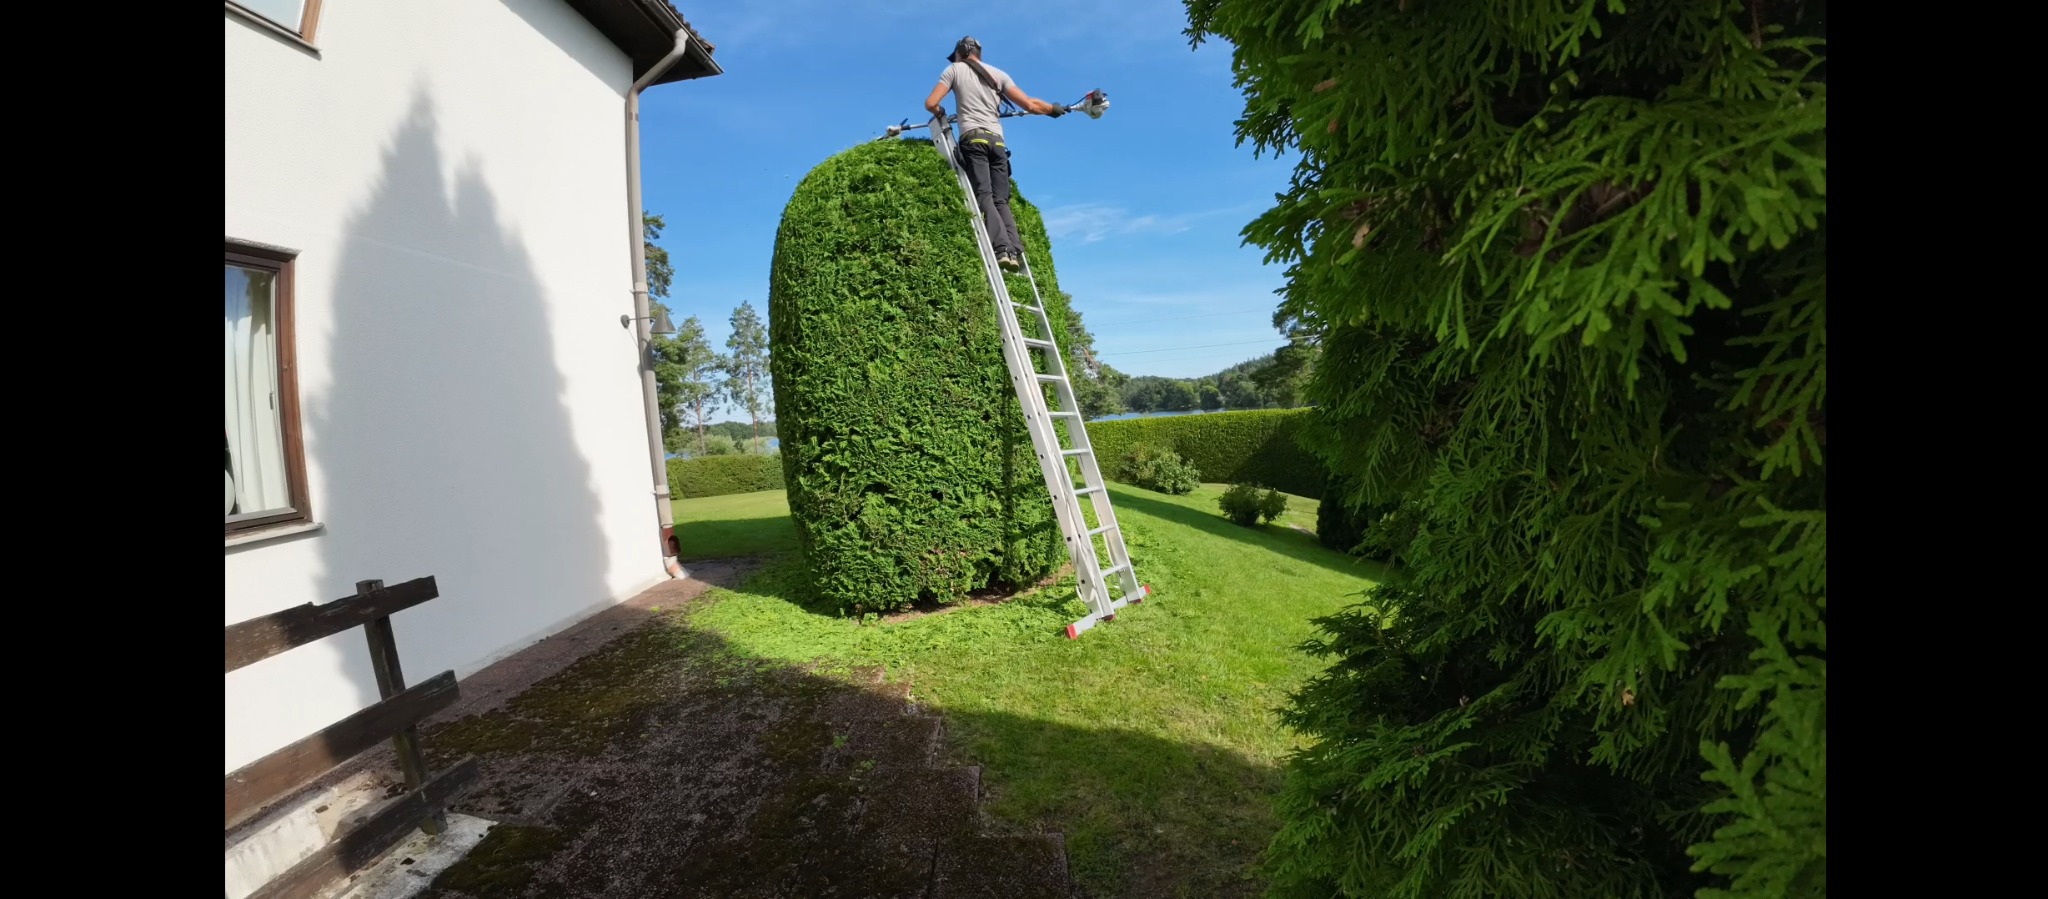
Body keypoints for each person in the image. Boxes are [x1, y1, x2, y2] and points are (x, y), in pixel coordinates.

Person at [924, 36, 1066, 271]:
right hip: (998, 143)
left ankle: (1001, 249)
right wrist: (1054, 109)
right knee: (1002, 200)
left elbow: (931, 103)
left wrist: (941, 113)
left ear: (961, 52)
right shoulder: (999, 75)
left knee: (984, 196)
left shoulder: (954, 70)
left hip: (973, 139)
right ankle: (1015, 251)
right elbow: (1030, 105)